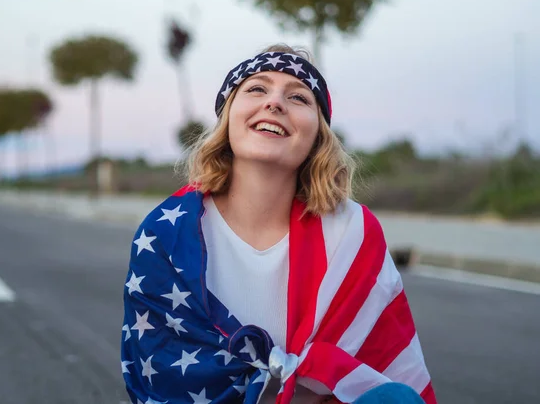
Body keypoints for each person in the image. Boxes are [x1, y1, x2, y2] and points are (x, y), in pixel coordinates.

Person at [120, 44, 437, 404]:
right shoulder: (166, 233)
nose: (274, 103)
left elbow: (382, 369)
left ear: (318, 135)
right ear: (228, 117)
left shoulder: (352, 233)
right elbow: (162, 372)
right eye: (256, 88)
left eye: (299, 97)